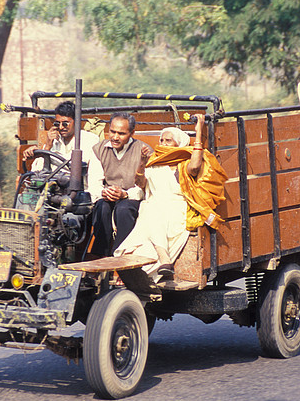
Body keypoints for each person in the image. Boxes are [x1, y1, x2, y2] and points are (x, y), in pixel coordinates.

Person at [114, 114, 227, 281]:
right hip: (153, 208)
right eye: (161, 140)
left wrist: (199, 128)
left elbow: (195, 166)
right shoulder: (154, 162)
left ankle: (161, 258)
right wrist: (142, 163)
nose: (163, 144)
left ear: (178, 144)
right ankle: (163, 258)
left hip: (175, 210)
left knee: (150, 210)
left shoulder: (183, 164)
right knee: (149, 208)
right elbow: (140, 182)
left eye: (168, 141)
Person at [88, 112, 153, 256]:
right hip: (108, 196)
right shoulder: (99, 150)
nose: (115, 137)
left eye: (121, 133)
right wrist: (104, 192)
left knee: (124, 210)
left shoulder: (143, 150)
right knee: (101, 208)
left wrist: (125, 194)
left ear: (131, 133)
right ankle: (100, 257)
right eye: (112, 131)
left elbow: (146, 188)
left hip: (132, 198)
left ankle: (120, 258)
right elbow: (94, 184)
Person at [22, 101, 100, 173]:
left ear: (76, 122)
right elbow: (41, 167)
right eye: (57, 123)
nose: (61, 127)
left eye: (65, 124)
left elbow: (79, 167)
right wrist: (47, 147)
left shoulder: (90, 140)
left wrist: (48, 156)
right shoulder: (54, 140)